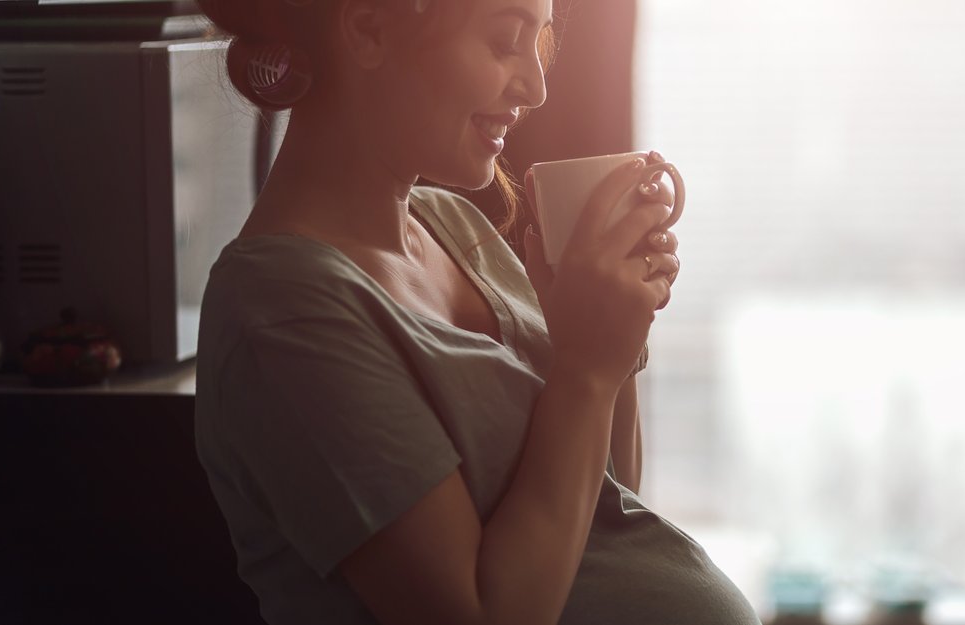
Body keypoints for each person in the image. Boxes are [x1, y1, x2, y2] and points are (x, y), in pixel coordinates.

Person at [192, 0, 762, 623]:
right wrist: (585, 370)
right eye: (503, 41)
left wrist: (611, 332)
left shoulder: (453, 226)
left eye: (537, 42)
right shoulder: (284, 310)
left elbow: (607, 501)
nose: (537, 88)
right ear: (370, 28)